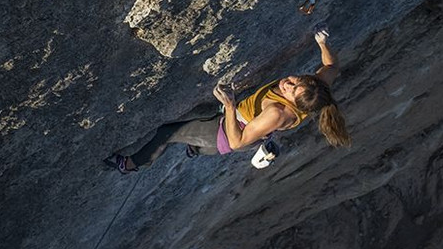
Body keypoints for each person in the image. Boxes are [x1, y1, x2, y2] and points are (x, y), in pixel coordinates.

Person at [105, 29, 351, 174]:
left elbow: (236, 141)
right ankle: (196, 148)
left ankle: (130, 164)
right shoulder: (316, 93)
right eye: (297, 80)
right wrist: (322, 43)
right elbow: (331, 65)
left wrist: (231, 105)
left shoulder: (277, 113)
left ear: (294, 103)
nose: (288, 83)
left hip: (227, 133)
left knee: (166, 132)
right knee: (197, 139)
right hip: (232, 131)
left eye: (291, 89)